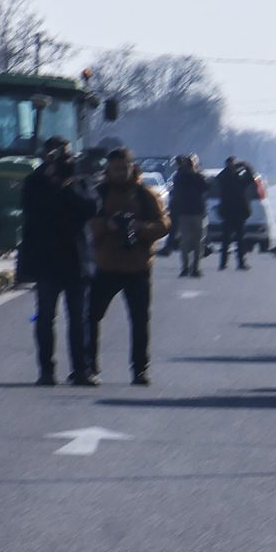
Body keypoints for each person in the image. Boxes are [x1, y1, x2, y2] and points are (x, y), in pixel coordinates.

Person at [84, 148, 172, 386]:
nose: (121, 173)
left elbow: (164, 224)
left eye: (125, 168)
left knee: (140, 320)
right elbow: (86, 223)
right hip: (106, 266)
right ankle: (88, 366)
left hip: (137, 267)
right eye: (116, 169)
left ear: (132, 167)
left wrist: (141, 228)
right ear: (108, 170)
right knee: (91, 317)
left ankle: (140, 369)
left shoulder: (146, 195)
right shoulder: (98, 195)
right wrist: (107, 225)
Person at [16, 137, 95, 385]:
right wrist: (50, 181)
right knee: (45, 317)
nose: (61, 160)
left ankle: (81, 370)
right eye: (55, 155)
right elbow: (33, 213)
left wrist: (67, 184)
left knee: (78, 318)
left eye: (65, 155)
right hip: (47, 260)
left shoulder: (81, 182)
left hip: (76, 260)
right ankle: (46, 370)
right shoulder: (34, 182)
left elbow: (90, 209)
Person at [169, 154, 212, 278]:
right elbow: (206, 187)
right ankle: (195, 268)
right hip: (197, 212)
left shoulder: (179, 177)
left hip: (184, 213)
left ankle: (185, 267)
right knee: (197, 242)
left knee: (185, 241)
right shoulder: (197, 176)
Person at [214, 155, 256, 270]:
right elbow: (218, 179)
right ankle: (223, 263)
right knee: (226, 240)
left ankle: (241, 262)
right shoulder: (224, 177)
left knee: (240, 239)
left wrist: (247, 167)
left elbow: (251, 180)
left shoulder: (240, 177)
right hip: (228, 212)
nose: (232, 166)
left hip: (239, 212)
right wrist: (230, 169)